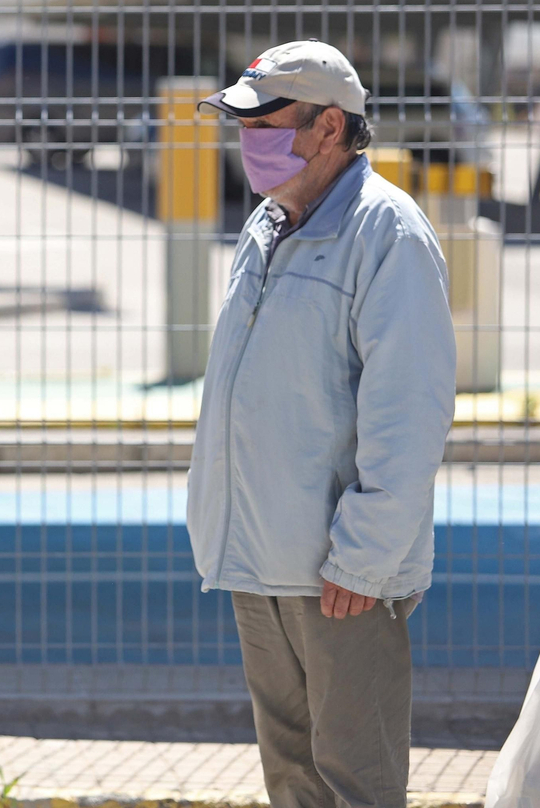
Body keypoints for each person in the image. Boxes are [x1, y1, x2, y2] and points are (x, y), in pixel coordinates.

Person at [188, 39, 456, 808]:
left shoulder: (389, 235)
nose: (248, 141)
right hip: (259, 562)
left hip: (339, 579)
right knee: (294, 788)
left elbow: (411, 411)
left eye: (265, 122)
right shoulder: (269, 225)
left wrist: (363, 559)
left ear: (330, 127)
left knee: (357, 787)